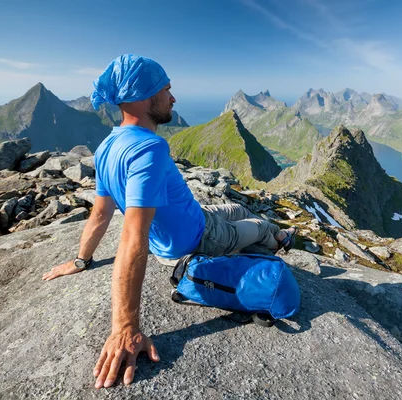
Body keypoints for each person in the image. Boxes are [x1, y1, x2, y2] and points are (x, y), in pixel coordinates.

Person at [41, 54, 297, 389]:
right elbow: (134, 235)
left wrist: (82, 260)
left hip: (199, 216)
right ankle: (278, 241)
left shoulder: (106, 147)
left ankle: (261, 230)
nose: (173, 98)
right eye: (166, 90)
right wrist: (124, 328)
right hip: (198, 237)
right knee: (261, 226)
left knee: (236, 208)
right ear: (144, 98)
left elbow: (101, 213)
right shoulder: (150, 149)